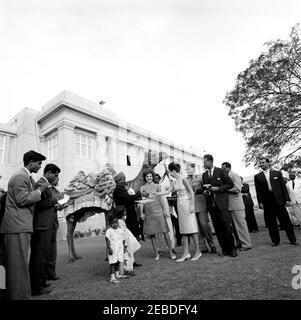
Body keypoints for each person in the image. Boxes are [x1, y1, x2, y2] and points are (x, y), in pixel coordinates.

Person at [0, 150, 48, 299]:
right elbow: (22, 200)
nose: (40, 167)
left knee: (16, 265)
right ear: (31, 162)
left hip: (18, 226)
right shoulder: (21, 176)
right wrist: (40, 191)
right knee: (18, 266)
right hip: (17, 227)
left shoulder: (25, 176)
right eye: (39, 163)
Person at [29, 163, 62, 296]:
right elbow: (40, 204)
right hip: (42, 226)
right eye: (55, 175)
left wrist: (57, 205)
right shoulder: (39, 185)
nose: (56, 177)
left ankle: (41, 282)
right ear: (48, 173)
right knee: (39, 257)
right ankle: (36, 287)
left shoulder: (46, 185)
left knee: (44, 256)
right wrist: (55, 199)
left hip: (47, 224)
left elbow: (47, 205)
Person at [254, 157, 297, 246]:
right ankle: (275, 241)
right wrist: (260, 202)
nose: (261, 164)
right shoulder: (257, 176)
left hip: (279, 201)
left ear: (268, 163)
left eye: (263, 162)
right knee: (271, 222)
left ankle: (292, 240)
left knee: (286, 221)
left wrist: (287, 199)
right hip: (267, 202)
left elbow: (283, 187)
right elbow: (258, 191)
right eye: (260, 163)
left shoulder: (277, 173)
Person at [202, 154, 237, 257]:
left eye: (204, 162)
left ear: (210, 161)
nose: (203, 164)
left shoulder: (221, 171)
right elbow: (206, 188)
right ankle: (224, 249)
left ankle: (232, 249)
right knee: (218, 228)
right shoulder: (204, 175)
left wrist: (218, 189)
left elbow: (230, 185)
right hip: (211, 206)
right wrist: (206, 192)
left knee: (226, 226)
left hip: (222, 204)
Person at [166, 162, 201, 262]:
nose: (169, 173)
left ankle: (198, 252)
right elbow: (167, 191)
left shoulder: (183, 179)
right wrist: (157, 193)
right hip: (180, 204)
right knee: (183, 229)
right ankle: (186, 253)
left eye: (169, 171)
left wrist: (192, 205)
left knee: (192, 228)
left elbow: (191, 192)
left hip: (187, 203)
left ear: (173, 171)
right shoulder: (175, 180)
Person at [140, 169, 176, 260]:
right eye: (147, 176)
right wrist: (141, 213)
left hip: (159, 210)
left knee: (165, 231)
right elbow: (142, 201)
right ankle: (156, 253)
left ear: (153, 177)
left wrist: (164, 209)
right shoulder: (142, 188)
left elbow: (161, 198)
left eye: (150, 176)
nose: (149, 178)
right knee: (152, 234)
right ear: (145, 178)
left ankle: (171, 252)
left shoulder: (158, 186)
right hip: (149, 212)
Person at [185, 163, 217, 254]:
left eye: (188, 168)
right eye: (185, 169)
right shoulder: (185, 180)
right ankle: (202, 246)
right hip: (190, 204)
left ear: (193, 169)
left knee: (204, 225)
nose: (186, 170)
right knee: (196, 227)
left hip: (201, 203)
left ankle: (211, 244)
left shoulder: (200, 177)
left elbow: (206, 189)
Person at [113, 172, 142, 267]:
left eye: (124, 178)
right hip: (126, 218)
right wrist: (138, 195)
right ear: (118, 181)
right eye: (122, 179)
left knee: (130, 239)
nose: (124, 180)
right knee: (127, 240)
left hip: (129, 215)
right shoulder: (118, 190)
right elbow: (128, 198)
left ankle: (131, 260)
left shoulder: (121, 189)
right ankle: (128, 262)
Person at [221, 162, 252, 251]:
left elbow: (237, 189)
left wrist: (223, 189)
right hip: (229, 205)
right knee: (234, 227)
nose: (222, 170)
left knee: (241, 225)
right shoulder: (225, 177)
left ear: (228, 168)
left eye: (223, 168)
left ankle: (246, 244)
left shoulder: (235, 175)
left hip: (237, 205)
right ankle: (239, 242)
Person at [153, 173, 176, 255]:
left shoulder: (163, 186)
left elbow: (172, 188)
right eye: (155, 178)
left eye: (158, 178)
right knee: (159, 231)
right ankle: (160, 249)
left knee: (170, 229)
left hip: (165, 209)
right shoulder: (152, 188)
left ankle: (172, 247)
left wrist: (168, 176)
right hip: (157, 210)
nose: (156, 179)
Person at [115, 205, 141, 276]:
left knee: (130, 252)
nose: (125, 213)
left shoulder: (122, 220)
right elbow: (122, 231)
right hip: (125, 238)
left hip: (127, 237)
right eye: (124, 212)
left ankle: (130, 266)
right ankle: (128, 269)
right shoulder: (119, 221)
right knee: (127, 253)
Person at [105, 214, 127, 284]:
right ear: (110, 223)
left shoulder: (120, 230)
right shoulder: (109, 231)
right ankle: (112, 277)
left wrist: (124, 247)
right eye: (113, 223)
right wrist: (109, 248)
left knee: (118, 261)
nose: (115, 224)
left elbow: (123, 239)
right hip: (113, 249)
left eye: (116, 222)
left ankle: (117, 274)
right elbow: (107, 240)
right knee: (112, 263)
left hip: (120, 249)